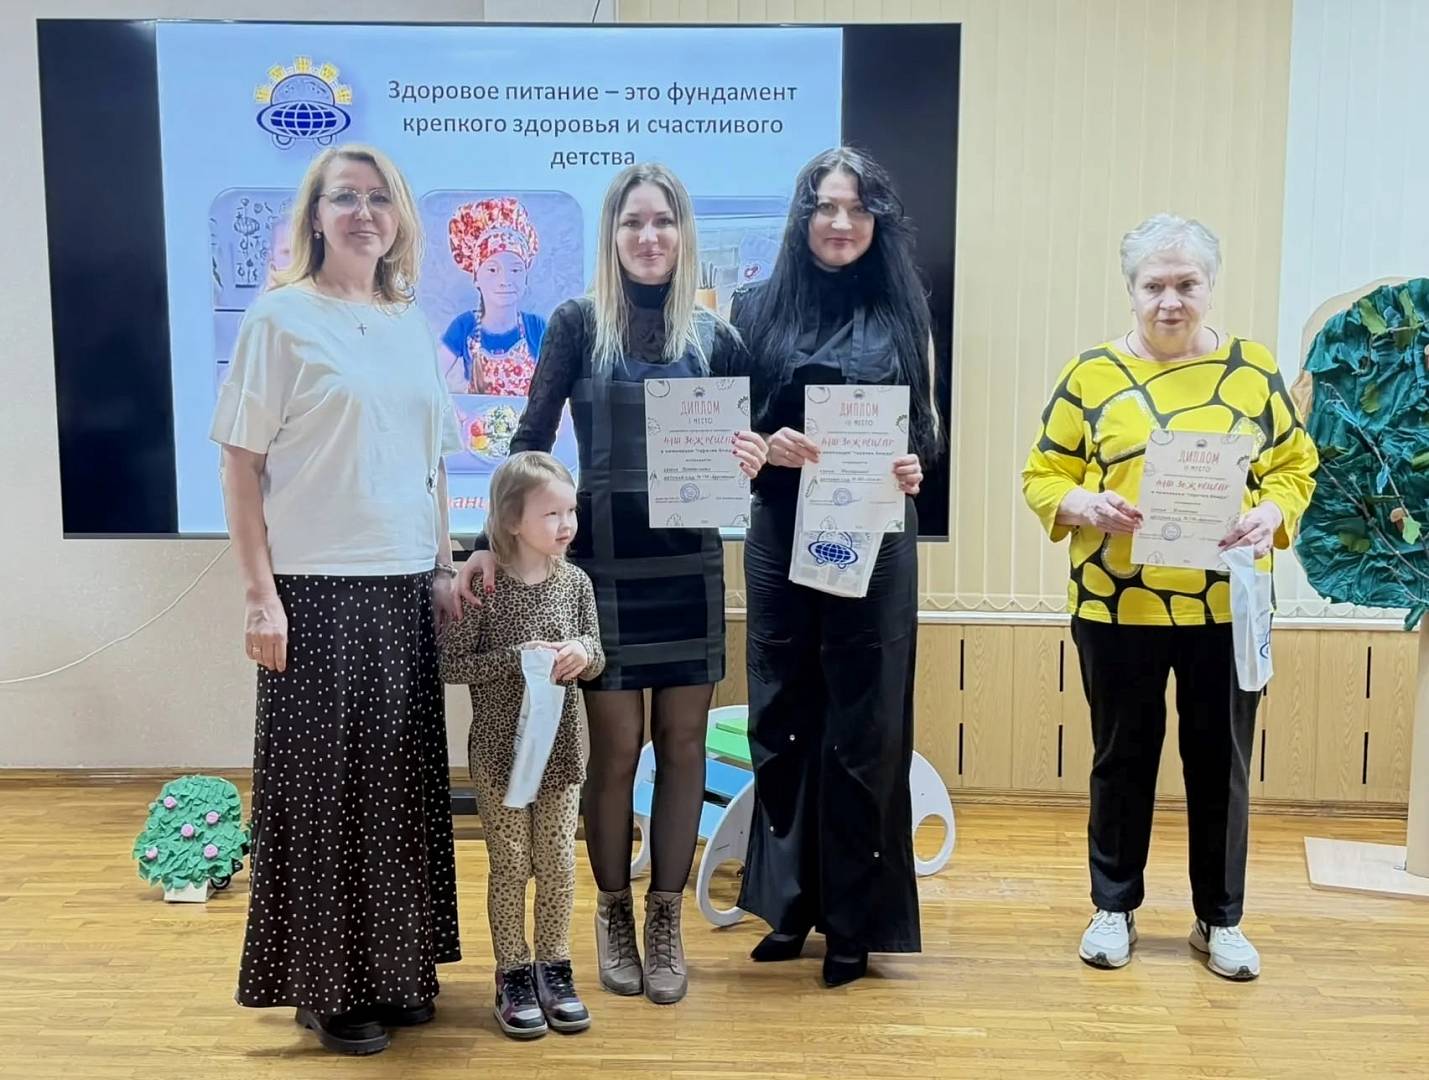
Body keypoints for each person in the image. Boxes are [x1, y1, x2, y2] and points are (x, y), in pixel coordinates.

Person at [459, 163, 767, 1005]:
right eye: (633, 222)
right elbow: (529, 441)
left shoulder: (716, 338)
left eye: (663, 221)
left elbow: (755, 445)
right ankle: (612, 912)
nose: (648, 236)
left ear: (682, 233)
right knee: (618, 751)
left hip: (689, 564)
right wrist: (488, 544)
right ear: (611, 234)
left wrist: (753, 453)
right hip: (603, 569)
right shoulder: (574, 323)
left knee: (684, 745)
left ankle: (666, 918)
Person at [211, 143, 464, 1055]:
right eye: (343, 197)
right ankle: (326, 987)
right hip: (313, 592)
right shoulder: (278, 319)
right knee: (321, 797)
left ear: (399, 218)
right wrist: (259, 597)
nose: (363, 213)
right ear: (314, 216)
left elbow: (433, 462)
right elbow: (240, 465)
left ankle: (395, 971)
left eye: (378, 198)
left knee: (396, 789)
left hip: (402, 589)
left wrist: (442, 565)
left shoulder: (408, 320)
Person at [1021, 212, 1318, 981]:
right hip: (1115, 605)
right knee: (1120, 757)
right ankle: (1112, 906)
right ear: (1130, 290)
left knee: (1219, 762)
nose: (1169, 300)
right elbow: (1041, 475)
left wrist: (1271, 512)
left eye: (1186, 283)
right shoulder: (1088, 375)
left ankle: (1219, 918)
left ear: (1209, 286)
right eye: (1153, 285)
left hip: (1225, 605)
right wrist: (1083, 504)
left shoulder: (1252, 370)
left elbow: (1294, 466)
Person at [729, 146, 940, 988]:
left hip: (874, 535)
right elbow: (730, 431)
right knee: (781, 712)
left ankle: (853, 920)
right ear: (802, 216)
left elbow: (924, 427)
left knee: (865, 725)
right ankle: (788, 907)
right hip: (780, 529)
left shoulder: (904, 305)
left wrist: (916, 463)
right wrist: (763, 442)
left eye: (857, 208)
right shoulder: (753, 307)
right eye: (825, 206)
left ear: (876, 219)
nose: (841, 222)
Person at [439, 452, 604, 1040]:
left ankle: (554, 967)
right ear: (512, 520)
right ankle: (512, 972)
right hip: (498, 755)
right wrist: (515, 659)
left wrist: (582, 654)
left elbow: (595, 653)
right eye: (551, 514)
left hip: (561, 754)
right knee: (510, 864)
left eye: (570, 512)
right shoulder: (483, 588)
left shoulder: (576, 583)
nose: (566, 524)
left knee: (558, 864)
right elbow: (453, 665)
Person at [441, 197, 547, 395]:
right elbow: (432, 378)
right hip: (475, 417)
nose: (505, 280)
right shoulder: (464, 326)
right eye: (492, 270)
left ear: (526, 277)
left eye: (515, 270)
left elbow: (561, 385)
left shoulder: (537, 328)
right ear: (476, 278)